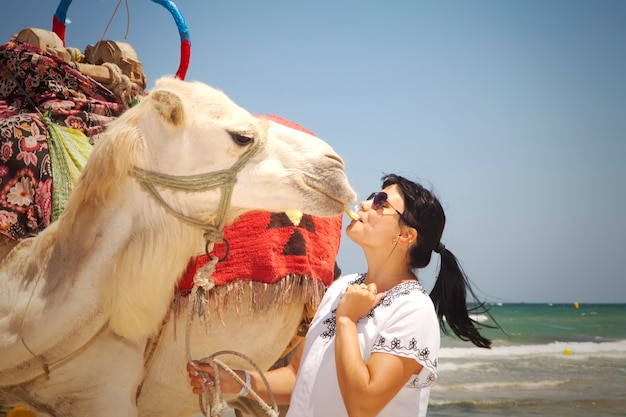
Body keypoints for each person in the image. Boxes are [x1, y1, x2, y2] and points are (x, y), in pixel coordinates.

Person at [188, 173, 494, 417]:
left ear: (406, 235)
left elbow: (363, 406)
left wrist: (347, 319)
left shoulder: (413, 308)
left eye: (381, 203)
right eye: (373, 196)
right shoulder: (341, 287)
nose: (364, 204)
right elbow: (300, 379)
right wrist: (237, 380)